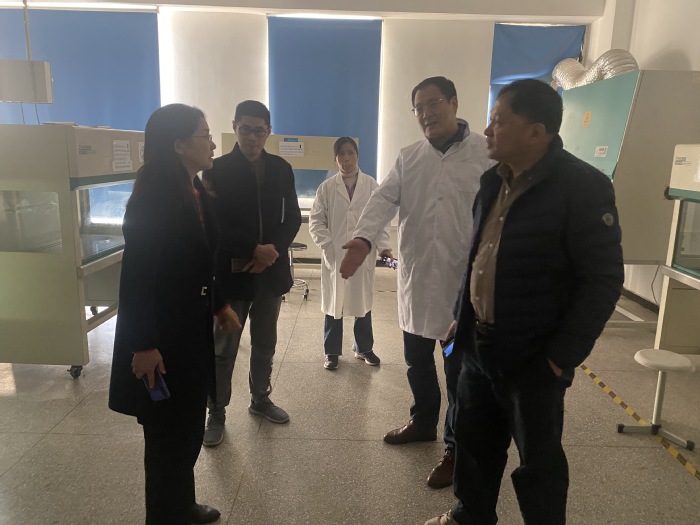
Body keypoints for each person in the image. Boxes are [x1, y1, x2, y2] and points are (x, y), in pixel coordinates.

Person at [425, 79, 624, 525]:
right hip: (477, 346)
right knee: (474, 445)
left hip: (534, 357)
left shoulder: (582, 186)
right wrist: (462, 318)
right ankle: (469, 516)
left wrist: (560, 357)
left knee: (538, 462)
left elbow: (604, 279)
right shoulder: (491, 181)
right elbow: (479, 258)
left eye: (498, 121)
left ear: (536, 132)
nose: (487, 130)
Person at [339, 76, 494, 488]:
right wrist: (363, 238)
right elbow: (382, 200)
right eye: (419, 107)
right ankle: (423, 421)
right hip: (418, 281)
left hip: (462, 290)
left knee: (457, 370)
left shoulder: (484, 153)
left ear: (454, 102)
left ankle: (455, 448)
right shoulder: (410, 157)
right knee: (417, 362)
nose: (426, 113)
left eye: (433, 103)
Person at [108, 103, 241, 525]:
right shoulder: (154, 198)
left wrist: (219, 304)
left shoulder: (194, 190)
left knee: (185, 429)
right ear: (179, 144)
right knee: (166, 437)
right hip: (162, 339)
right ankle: (165, 515)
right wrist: (143, 345)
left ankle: (182, 506)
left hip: (190, 332)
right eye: (205, 135)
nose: (213, 144)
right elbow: (137, 276)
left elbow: (201, 262)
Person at [202, 100, 301, 447]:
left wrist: (271, 252)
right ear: (235, 127)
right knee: (224, 347)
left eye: (259, 130)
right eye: (245, 129)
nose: (252, 137)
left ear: (268, 131)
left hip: (269, 276)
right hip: (232, 276)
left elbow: (292, 218)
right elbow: (214, 224)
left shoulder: (281, 168)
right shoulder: (216, 170)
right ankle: (216, 411)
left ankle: (260, 399)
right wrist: (252, 249)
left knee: (265, 343)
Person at [309, 137, 393, 370]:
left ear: (357, 155)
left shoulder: (371, 185)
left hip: (362, 256)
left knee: (362, 303)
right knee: (334, 304)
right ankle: (331, 352)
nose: (346, 159)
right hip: (336, 255)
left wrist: (385, 247)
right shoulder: (326, 188)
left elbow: (381, 220)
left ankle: (364, 348)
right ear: (335, 158)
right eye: (341, 154)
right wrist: (329, 247)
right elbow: (316, 222)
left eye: (350, 153)